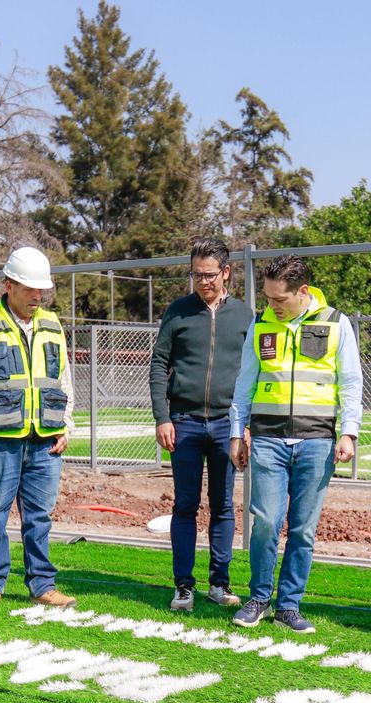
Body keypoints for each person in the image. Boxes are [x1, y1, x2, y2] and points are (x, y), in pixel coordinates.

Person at [229, 255, 363, 634]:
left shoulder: (336, 324)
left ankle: (289, 604)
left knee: (303, 528)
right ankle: (258, 598)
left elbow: (351, 382)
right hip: (267, 439)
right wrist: (236, 433)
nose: (272, 306)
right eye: (268, 299)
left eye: (279, 300)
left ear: (303, 292)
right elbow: (245, 382)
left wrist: (349, 432)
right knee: (266, 522)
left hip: (317, 441)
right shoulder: (260, 324)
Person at [0, 246, 78, 611]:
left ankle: (43, 585)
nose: (37, 296)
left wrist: (65, 425)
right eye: (29, 289)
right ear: (9, 285)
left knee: (40, 516)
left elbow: (63, 382)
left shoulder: (52, 325)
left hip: (45, 442)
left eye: (42, 290)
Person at [149, 238, 253, 612]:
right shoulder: (177, 312)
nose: (203, 281)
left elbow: (254, 375)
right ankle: (183, 585)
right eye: (196, 274)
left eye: (209, 274)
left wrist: (246, 427)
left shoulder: (246, 316)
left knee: (223, 505)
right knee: (185, 505)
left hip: (229, 425)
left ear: (226, 272)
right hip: (185, 424)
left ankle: (219, 583)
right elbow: (159, 364)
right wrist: (163, 417)